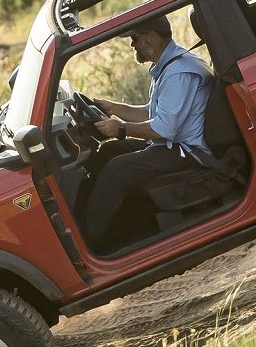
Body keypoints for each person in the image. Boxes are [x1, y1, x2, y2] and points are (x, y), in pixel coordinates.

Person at [81, 14, 212, 252]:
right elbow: (149, 113)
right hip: (174, 145)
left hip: (188, 153)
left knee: (116, 170)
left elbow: (163, 129)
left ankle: (90, 244)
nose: (132, 44)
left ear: (151, 37)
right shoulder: (168, 66)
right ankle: (91, 219)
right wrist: (113, 108)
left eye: (135, 38)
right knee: (109, 151)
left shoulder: (178, 73)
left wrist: (120, 128)